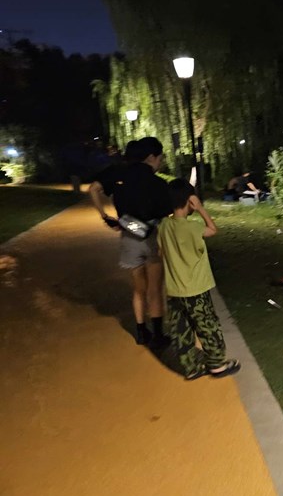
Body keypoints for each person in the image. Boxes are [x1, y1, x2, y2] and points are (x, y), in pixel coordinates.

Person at [88, 137, 173, 347]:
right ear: (151, 157)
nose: (160, 162)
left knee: (138, 288)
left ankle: (141, 332)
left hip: (129, 236)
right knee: (155, 288)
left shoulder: (118, 173)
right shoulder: (158, 183)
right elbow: (168, 213)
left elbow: (93, 189)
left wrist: (106, 217)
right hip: (152, 237)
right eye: (160, 158)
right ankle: (158, 335)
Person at [157, 179, 240, 381]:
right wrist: (201, 208)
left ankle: (190, 367)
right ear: (190, 201)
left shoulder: (164, 225)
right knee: (208, 326)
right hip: (195, 289)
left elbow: (160, 252)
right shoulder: (192, 228)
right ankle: (217, 365)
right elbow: (212, 229)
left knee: (181, 329)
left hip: (174, 290)